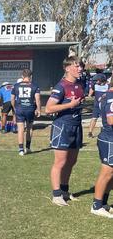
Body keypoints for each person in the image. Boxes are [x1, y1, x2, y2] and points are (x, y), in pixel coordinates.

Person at [46, 56, 85, 206]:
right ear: (67, 68)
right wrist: (70, 105)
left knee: (72, 161)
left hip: (76, 126)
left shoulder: (80, 84)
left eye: (80, 66)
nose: (80, 69)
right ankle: (56, 195)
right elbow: (49, 108)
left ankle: (64, 191)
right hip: (63, 127)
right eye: (77, 66)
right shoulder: (61, 86)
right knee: (60, 162)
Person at [91, 85, 113, 218]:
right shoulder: (110, 97)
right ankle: (96, 206)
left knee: (111, 174)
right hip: (109, 139)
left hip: (108, 138)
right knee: (106, 172)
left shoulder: (106, 95)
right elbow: (111, 120)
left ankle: (103, 202)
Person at [11, 69, 41, 155]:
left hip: (19, 109)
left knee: (20, 129)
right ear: (31, 76)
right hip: (30, 109)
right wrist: (38, 109)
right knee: (29, 128)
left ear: (22, 76)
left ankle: (21, 149)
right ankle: (28, 148)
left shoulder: (16, 86)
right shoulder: (35, 86)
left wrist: (14, 108)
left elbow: (12, 99)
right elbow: (37, 99)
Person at [87, 73, 109, 138]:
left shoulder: (108, 85)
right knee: (94, 118)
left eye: (97, 80)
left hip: (105, 105)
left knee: (105, 118)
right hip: (97, 104)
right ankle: (90, 132)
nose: (96, 82)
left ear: (101, 80)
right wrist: (89, 95)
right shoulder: (95, 85)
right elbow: (91, 90)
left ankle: (106, 130)